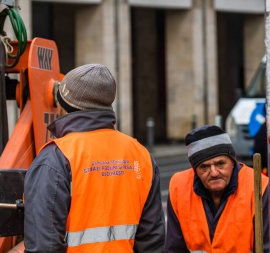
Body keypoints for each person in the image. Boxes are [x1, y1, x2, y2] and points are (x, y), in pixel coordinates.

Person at [24, 63, 165, 253]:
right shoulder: (141, 155)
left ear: (65, 105)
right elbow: (152, 242)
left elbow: (43, 245)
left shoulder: (56, 158)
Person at [166, 125, 270, 253]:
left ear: (233, 162)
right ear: (195, 170)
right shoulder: (179, 186)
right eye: (204, 167)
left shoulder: (259, 186)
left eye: (220, 164)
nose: (214, 173)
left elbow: (269, 246)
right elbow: (174, 248)